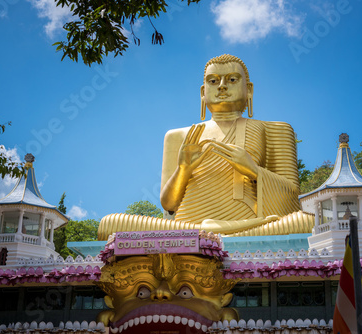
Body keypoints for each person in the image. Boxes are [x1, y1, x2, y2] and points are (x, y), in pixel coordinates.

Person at [97, 55, 312, 241]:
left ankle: (208, 237)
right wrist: (183, 170)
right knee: (110, 225)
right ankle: (206, 235)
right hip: (185, 227)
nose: (221, 86)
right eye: (213, 80)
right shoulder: (178, 136)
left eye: (232, 79)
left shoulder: (274, 129)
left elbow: (291, 200)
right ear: (203, 92)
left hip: (252, 225)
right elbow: (169, 206)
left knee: (305, 222)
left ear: (249, 90)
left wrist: (253, 171)